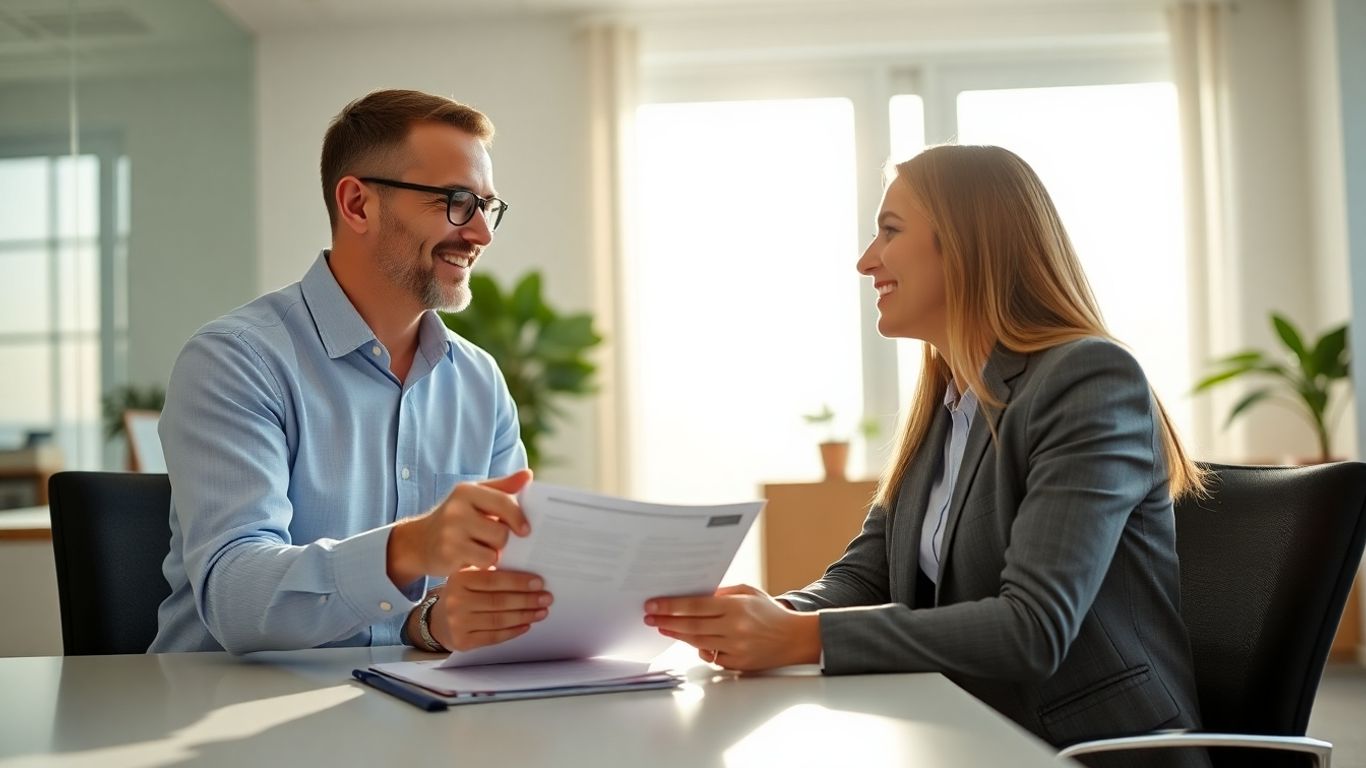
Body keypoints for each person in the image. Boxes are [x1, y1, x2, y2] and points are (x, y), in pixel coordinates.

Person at [643, 144, 1210, 767]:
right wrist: (776, 613)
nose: (866, 261)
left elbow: (1033, 629)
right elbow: (869, 576)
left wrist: (800, 638)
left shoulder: (1088, 379)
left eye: (890, 231)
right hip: (964, 731)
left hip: (1084, 750)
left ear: (966, 245)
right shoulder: (948, 402)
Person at [150, 89, 552, 655]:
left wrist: (431, 622)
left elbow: (491, 584)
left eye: (487, 207)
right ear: (358, 204)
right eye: (458, 201)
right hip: (220, 714)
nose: (480, 233)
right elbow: (235, 598)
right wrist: (408, 550)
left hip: (408, 713)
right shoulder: (235, 360)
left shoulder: (479, 382)